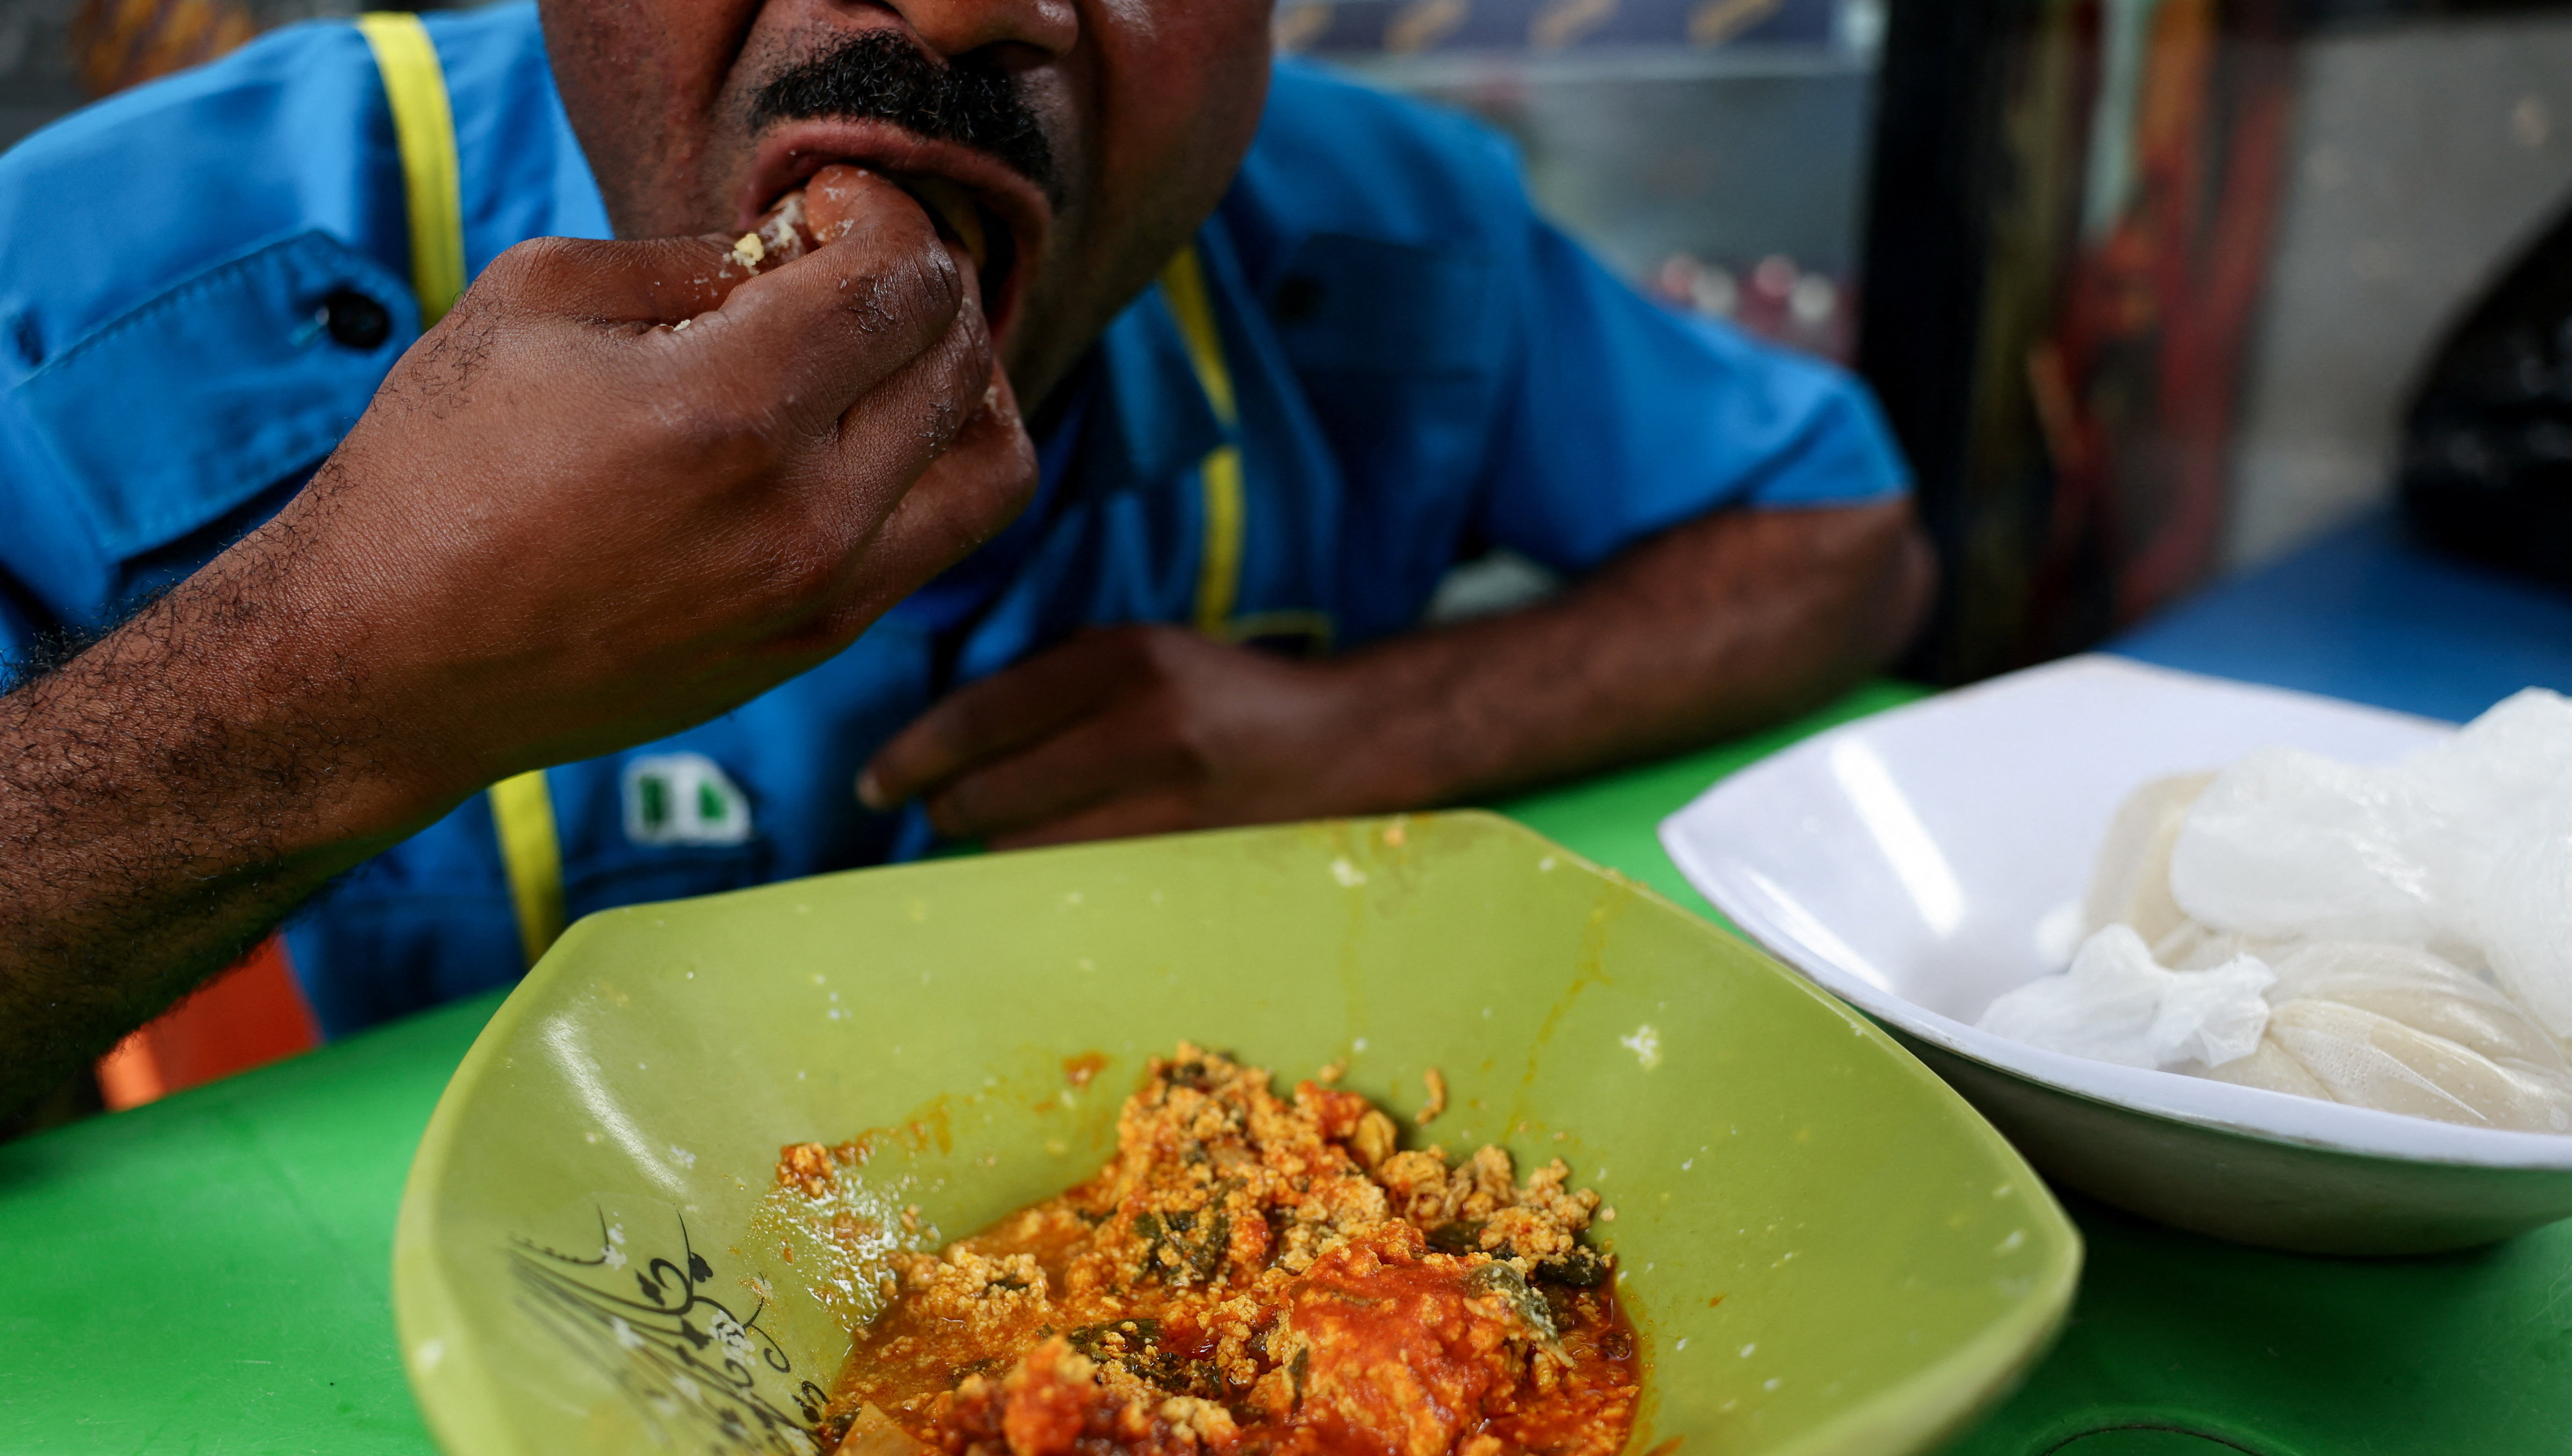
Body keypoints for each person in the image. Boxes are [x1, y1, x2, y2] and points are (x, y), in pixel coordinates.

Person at [0, 0, 1932, 1124]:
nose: (939, 14)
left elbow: (1842, 543)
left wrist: (1371, 730)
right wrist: (329, 678)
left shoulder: (1384, 239)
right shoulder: (105, 279)